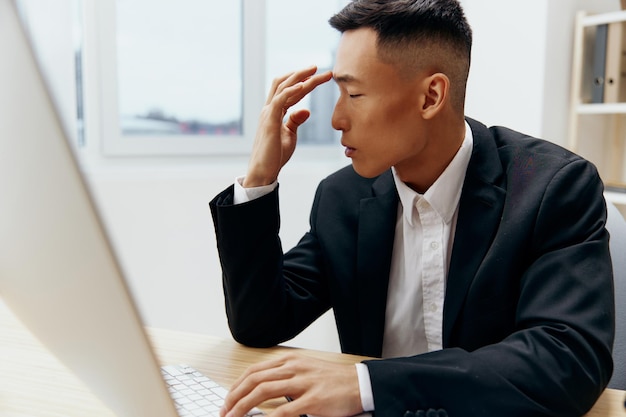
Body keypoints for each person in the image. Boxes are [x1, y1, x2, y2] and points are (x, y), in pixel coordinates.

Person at [209, 1, 615, 416]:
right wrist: (260, 178)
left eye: (354, 93)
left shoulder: (553, 187)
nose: (335, 118)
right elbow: (260, 322)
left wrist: (366, 384)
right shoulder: (343, 198)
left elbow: (567, 359)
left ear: (431, 96)